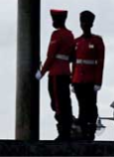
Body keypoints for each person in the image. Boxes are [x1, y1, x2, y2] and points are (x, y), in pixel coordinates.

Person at [35, 9, 75, 141]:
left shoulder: (57, 35)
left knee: (57, 103)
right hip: (65, 72)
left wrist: (41, 73)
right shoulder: (69, 35)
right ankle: (67, 129)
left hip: (56, 73)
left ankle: (63, 132)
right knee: (65, 102)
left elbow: (51, 56)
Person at [71, 10, 105, 141]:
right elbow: (74, 63)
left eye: (87, 22)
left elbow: (100, 63)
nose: (84, 24)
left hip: (91, 80)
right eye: (83, 22)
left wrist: (98, 82)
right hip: (78, 79)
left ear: (91, 24)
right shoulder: (76, 41)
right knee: (81, 106)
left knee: (91, 105)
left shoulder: (97, 41)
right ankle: (84, 130)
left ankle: (90, 130)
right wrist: (72, 80)